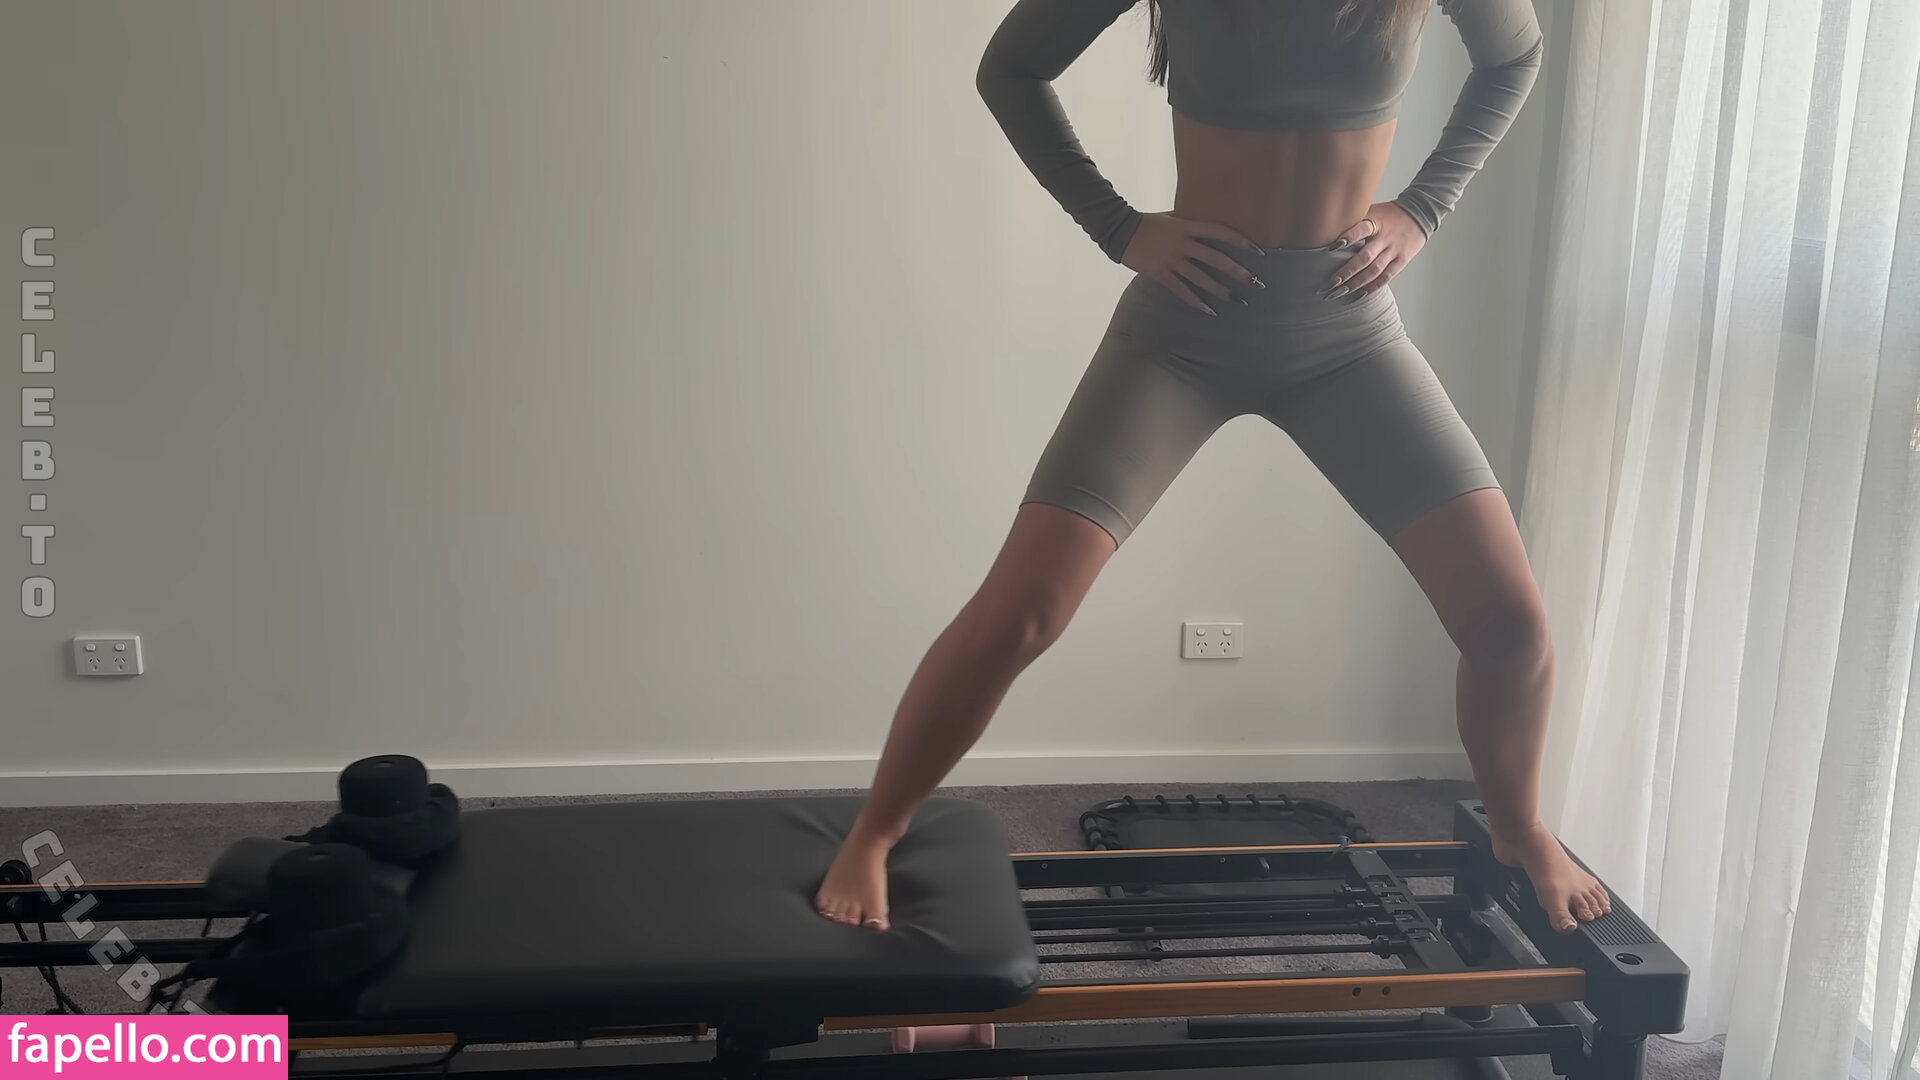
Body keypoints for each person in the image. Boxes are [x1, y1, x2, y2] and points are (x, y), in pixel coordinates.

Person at [816, 0, 1611, 937]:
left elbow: (1515, 57)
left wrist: (1423, 209)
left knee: (1511, 623)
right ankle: (875, 832)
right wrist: (1120, 228)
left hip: (1347, 332)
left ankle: (1518, 829)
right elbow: (1011, 69)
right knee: (1023, 612)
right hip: (1185, 331)